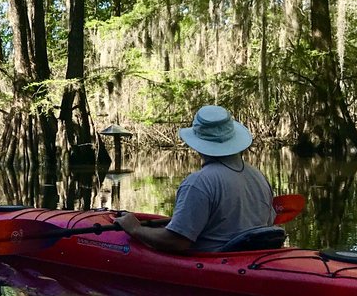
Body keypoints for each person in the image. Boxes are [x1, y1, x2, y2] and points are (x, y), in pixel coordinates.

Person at [115, 105, 274, 252]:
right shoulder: (258, 176)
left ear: (198, 143)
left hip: (215, 265)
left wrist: (135, 229)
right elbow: (269, 222)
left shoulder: (199, 183)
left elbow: (177, 242)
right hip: (250, 259)